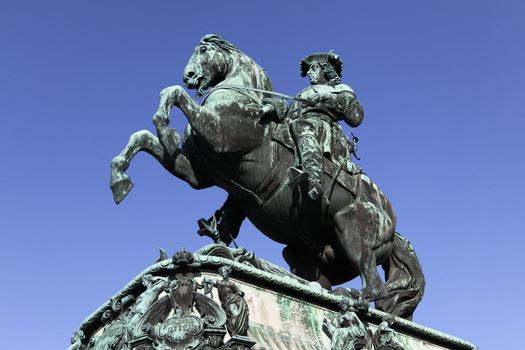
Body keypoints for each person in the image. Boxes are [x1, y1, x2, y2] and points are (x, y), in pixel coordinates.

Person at [261, 51, 364, 199]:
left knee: (302, 126)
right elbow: (288, 112)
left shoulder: (339, 89)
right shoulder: (303, 93)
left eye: (313, 68)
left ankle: (314, 177)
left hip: (320, 127)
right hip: (294, 125)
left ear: (326, 70)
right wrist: (272, 106)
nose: (309, 72)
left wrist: (325, 97)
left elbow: (356, 116)